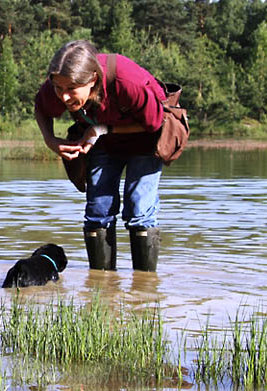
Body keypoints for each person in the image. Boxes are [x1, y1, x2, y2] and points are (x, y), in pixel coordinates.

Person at [34, 39, 166, 272]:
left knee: (139, 211)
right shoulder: (60, 81)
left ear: (93, 79)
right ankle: (101, 288)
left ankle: (144, 289)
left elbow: (155, 123)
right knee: (98, 211)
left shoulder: (128, 82)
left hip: (145, 140)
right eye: (58, 89)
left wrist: (103, 128)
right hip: (103, 143)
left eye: (71, 90)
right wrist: (50, 140)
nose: (63, 97)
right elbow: (41, 107)